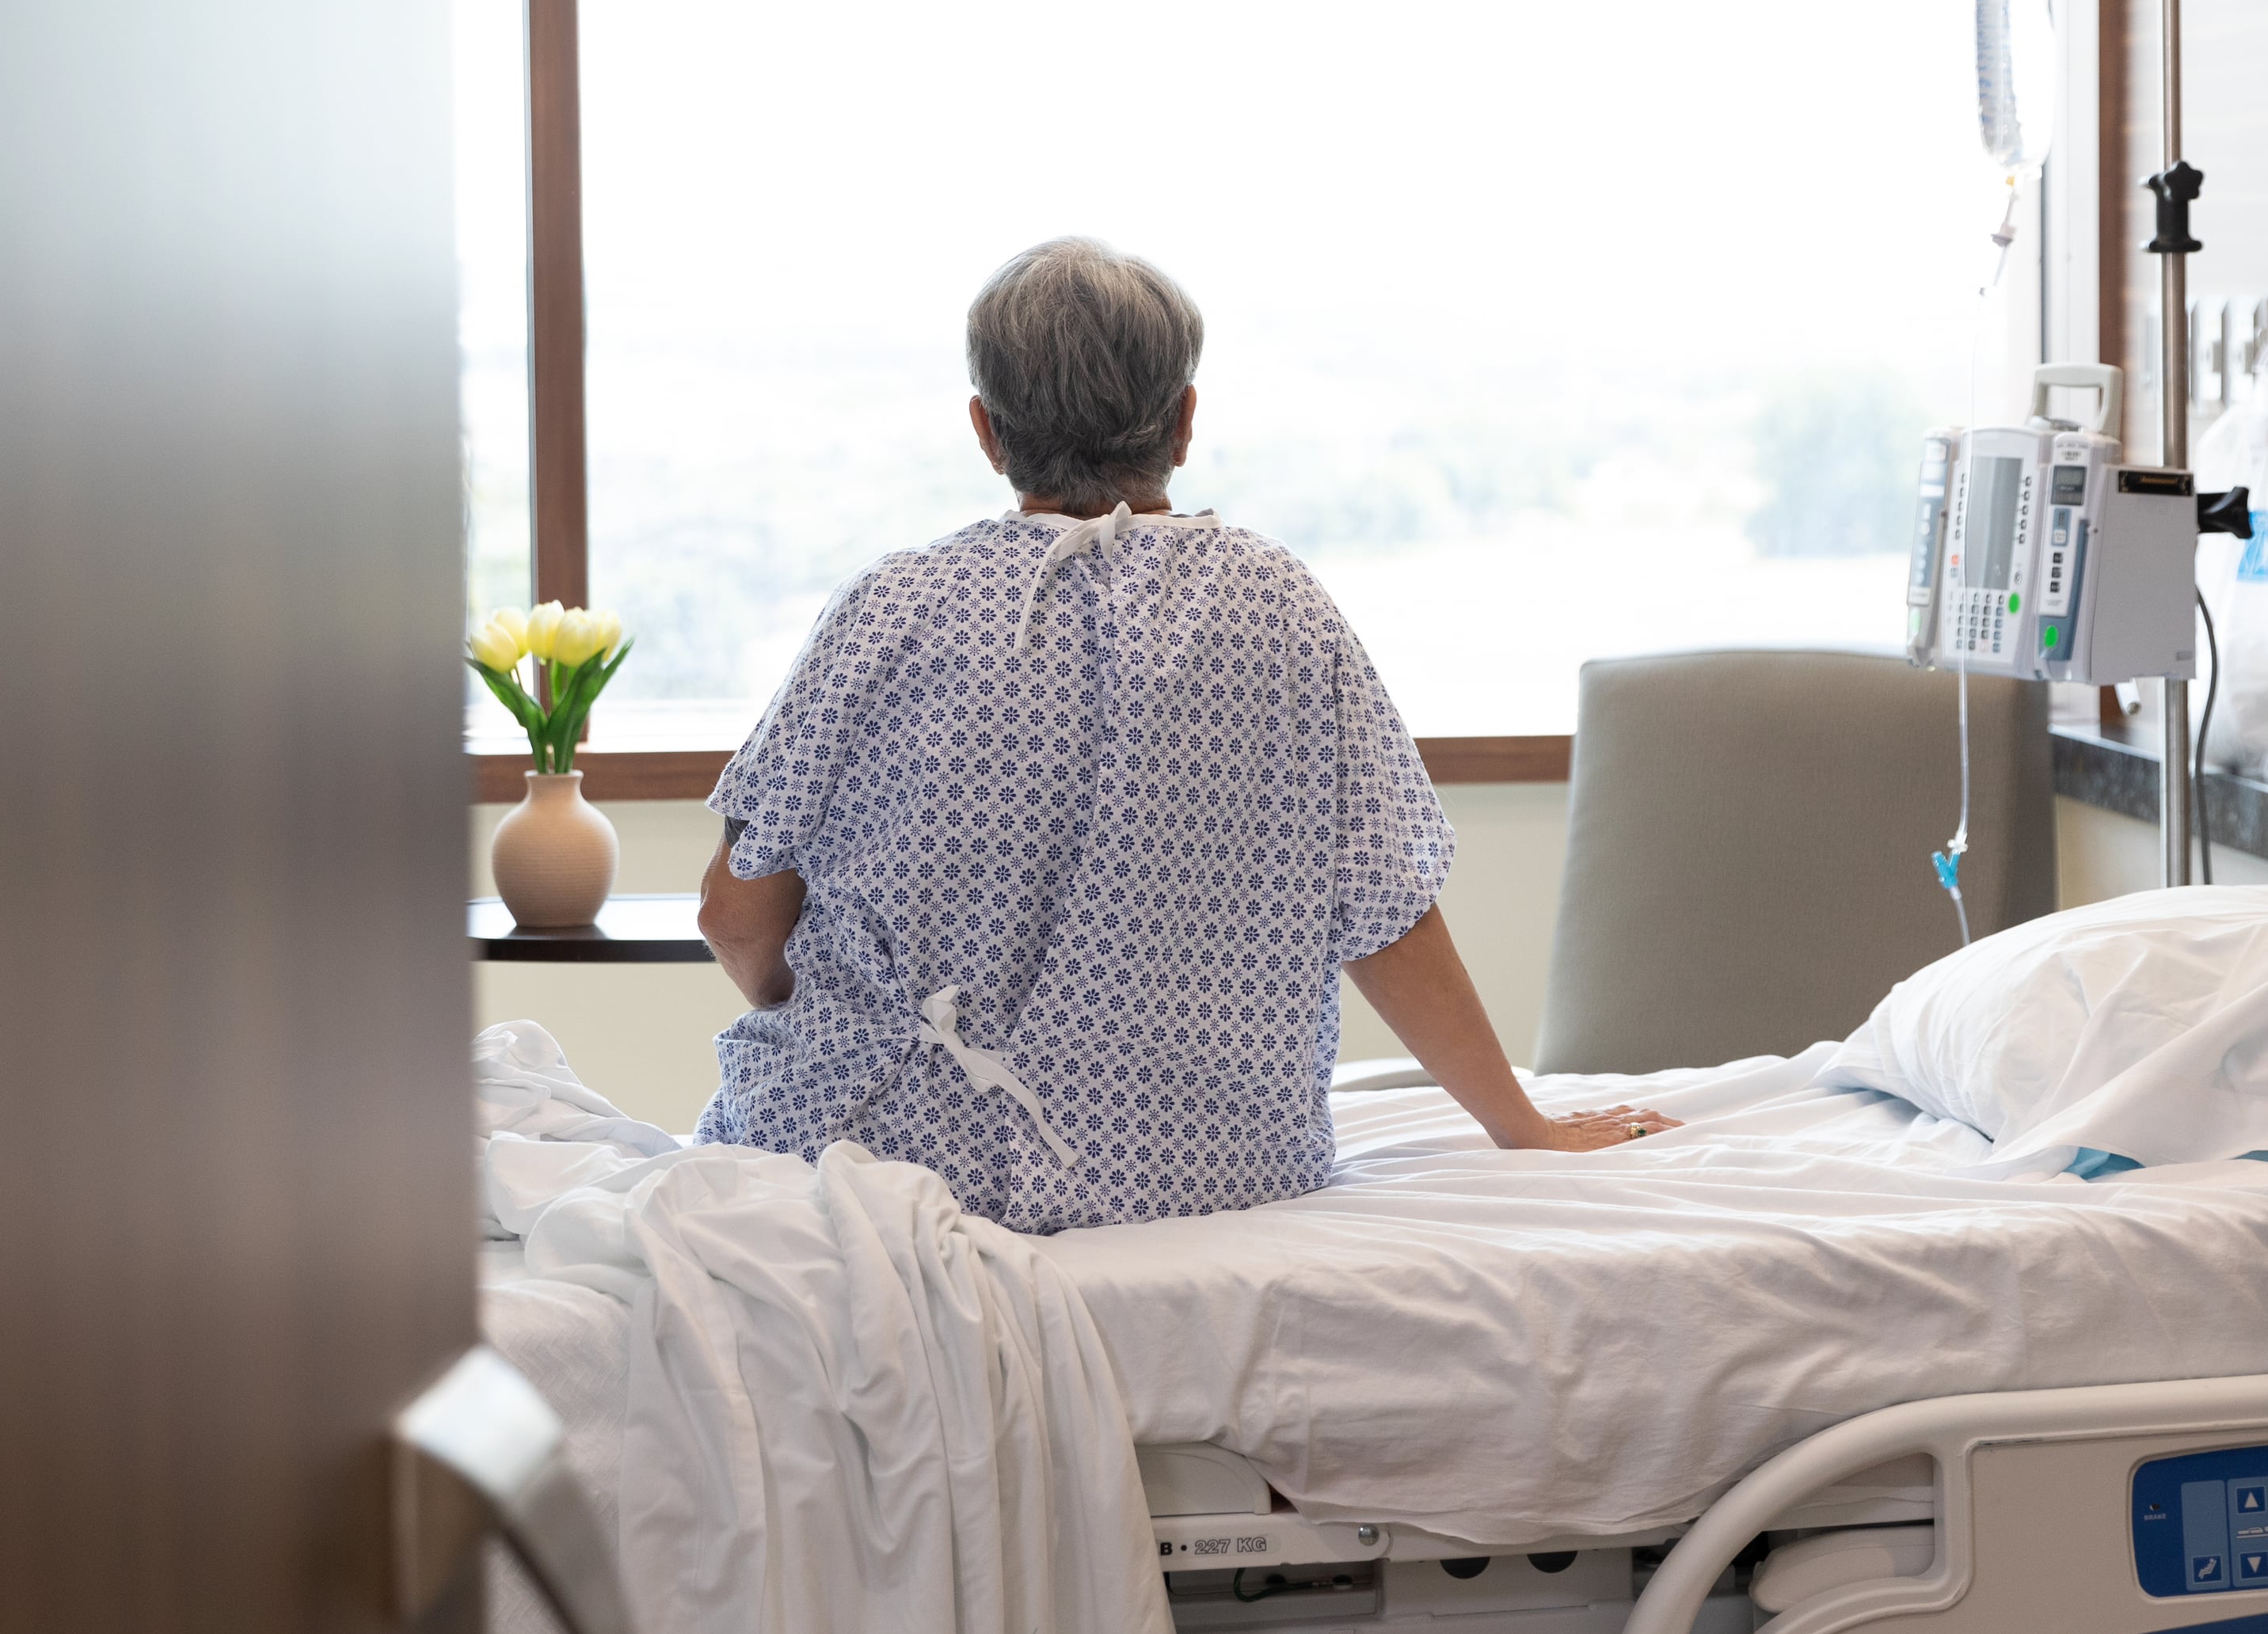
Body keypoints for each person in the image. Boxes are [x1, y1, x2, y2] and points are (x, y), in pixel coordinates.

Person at [694, 237, 1676, 1235]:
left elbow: (735, 915)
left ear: (987, 432)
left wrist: (798, 1003)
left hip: (884, 1164)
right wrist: (1520, 1126)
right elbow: (1384, 911)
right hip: (1218, 1176)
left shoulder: (892, 611)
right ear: (1184, 420)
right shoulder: (1281, 607)